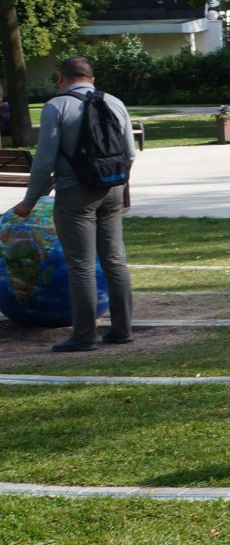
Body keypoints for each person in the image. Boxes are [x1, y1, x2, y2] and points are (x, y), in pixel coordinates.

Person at [11, 57, 135, 352]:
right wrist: (115, 181)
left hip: (74, 192)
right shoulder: (115, 102)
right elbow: (130, 152)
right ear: (91, 78)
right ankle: (122, 329)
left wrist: (30, 201)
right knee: (115, 260)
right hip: (113, 189)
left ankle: (83, 336)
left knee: (81, 266)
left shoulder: (56, 106)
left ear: (61, 77)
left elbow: (44, 161)